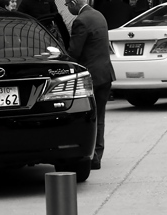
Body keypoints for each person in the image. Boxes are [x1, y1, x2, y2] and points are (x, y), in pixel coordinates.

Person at [65, 0, 114, 169]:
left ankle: (90, 155)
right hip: (105, 74)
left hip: (91, 76)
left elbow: (74, 52)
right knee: (99, 117)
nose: (67, 7)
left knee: (88, 118)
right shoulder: (99, 15)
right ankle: (97, 155)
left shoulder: (81, 21)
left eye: (67, 4)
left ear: (74, 3)